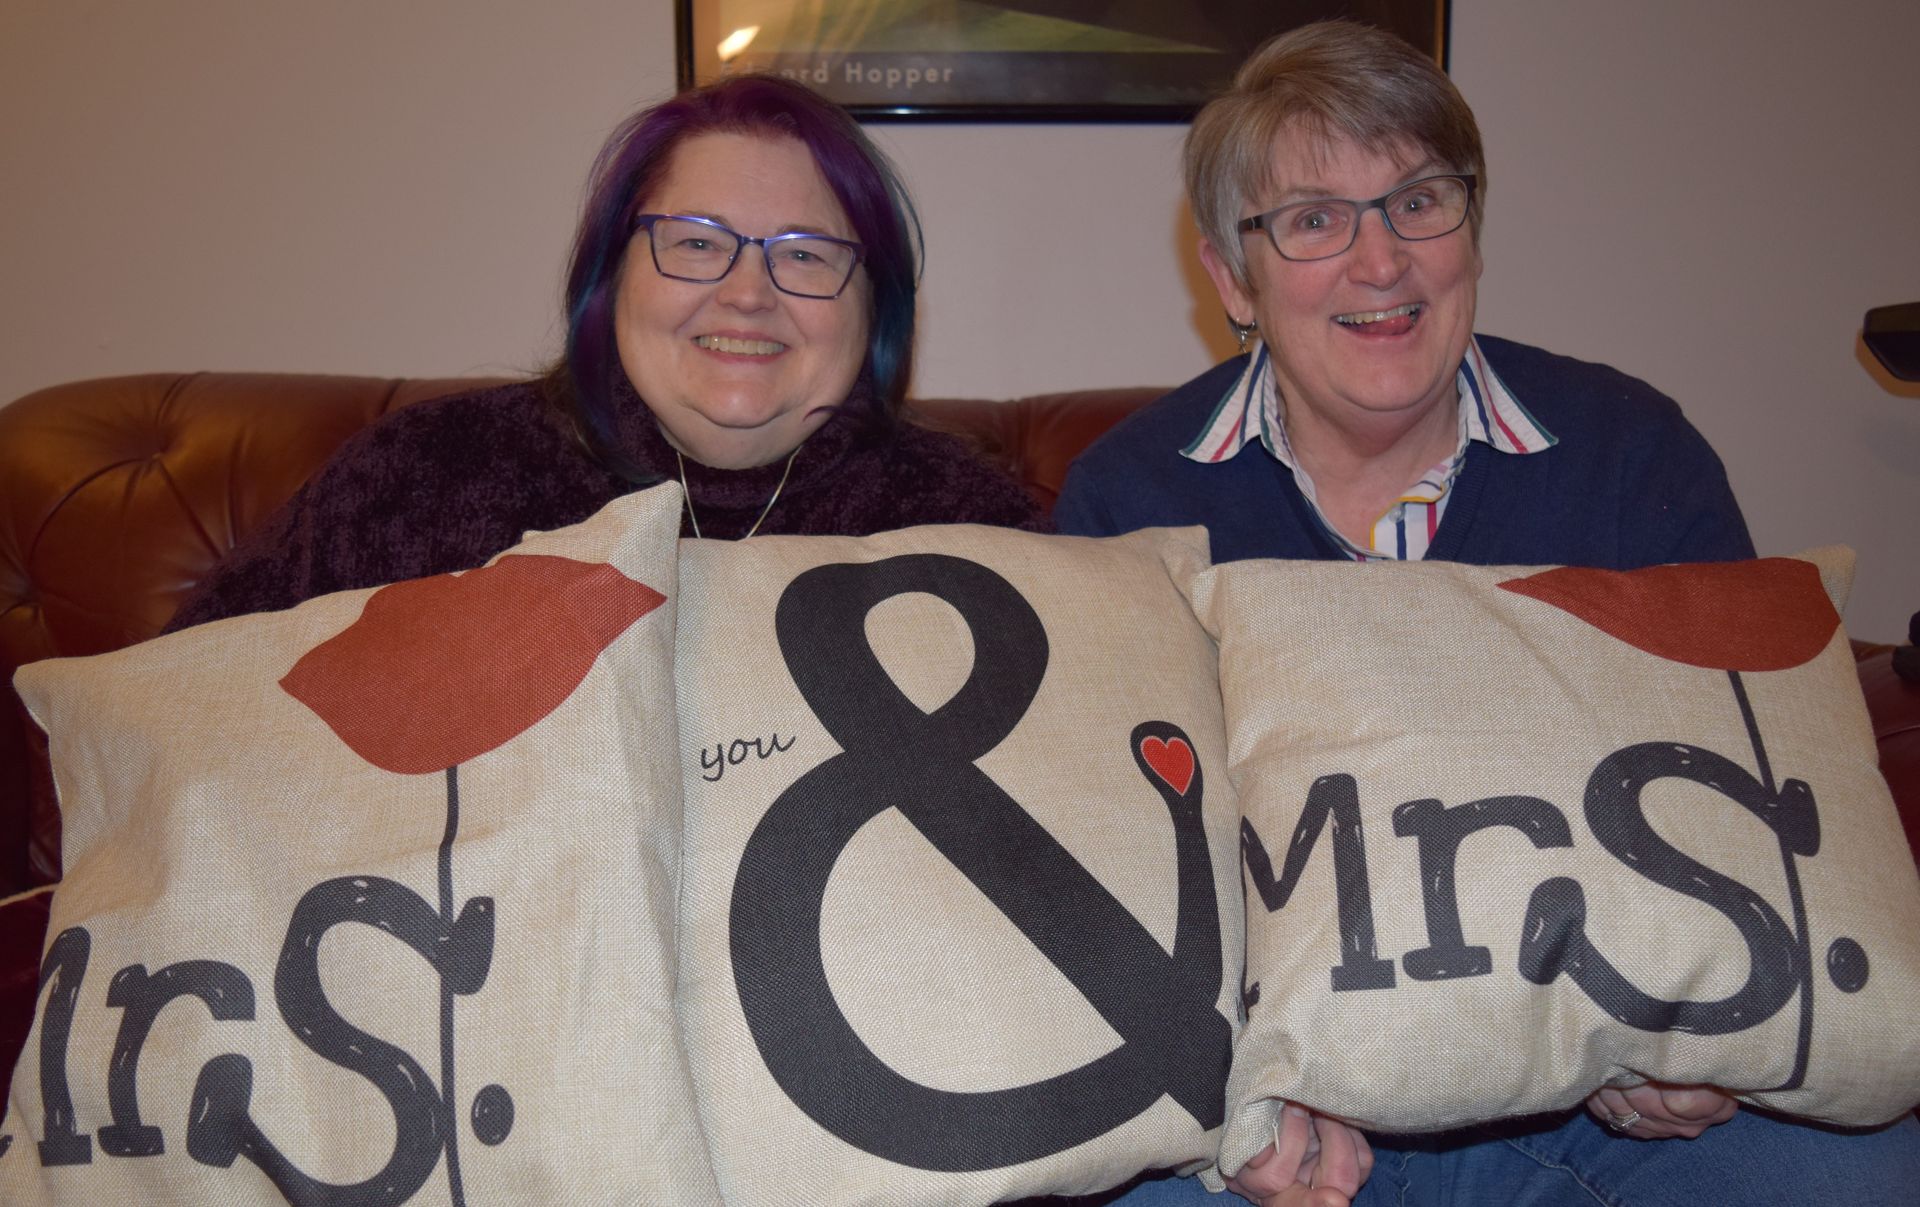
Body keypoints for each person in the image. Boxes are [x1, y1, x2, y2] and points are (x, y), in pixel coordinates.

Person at [1053, 19, 1920, 1207]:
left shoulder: (1630, 455)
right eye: (1313, 220)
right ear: (1231, 279)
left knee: (1861, 1179)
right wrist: (1235, 1089)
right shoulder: (1129, 495)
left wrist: (1705, 1034)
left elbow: (1739, 811)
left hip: (1587, 1098)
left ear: (1472, 223)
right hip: (1278, 1107)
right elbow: (1098, 861)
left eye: (1420, 201)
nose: (1381, 262)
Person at [168, 74, 1045, 630]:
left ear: (875, 310)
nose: (748, 292)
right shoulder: (415, 479)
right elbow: (177, 712)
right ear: (609, 276)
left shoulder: (980, 529)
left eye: (807, 254)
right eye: (697, 242)